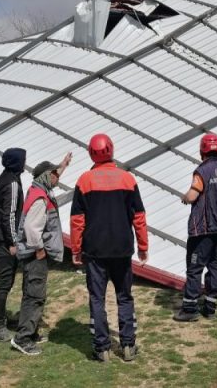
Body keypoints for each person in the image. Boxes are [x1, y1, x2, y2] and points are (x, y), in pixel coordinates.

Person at [70, 133, 149, 363]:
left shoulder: (84, 181)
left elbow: (77, 220)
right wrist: (143, 245)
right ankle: (128, 346)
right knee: (124, 297)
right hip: (122, 249)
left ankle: (102, 349)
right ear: (111, 150)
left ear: (91, 153)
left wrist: (76, 249)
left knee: (97, 298)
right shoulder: (127, 179)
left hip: (95, 251)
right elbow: (139, 217)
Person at [174, 133, 217, 322]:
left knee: (195, 268)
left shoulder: (201, 171)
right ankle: (210, 307)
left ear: (202, 151)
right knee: (214, 266)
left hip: (202, 231)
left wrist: (184, 198)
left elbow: (192, 196)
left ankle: (189, 308)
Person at [10, 153, 72, 356]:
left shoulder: (38, 188)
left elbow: (52, 175)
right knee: (35, 295)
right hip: (34, 255)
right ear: (46, 176)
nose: (57, 176)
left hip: (31, 254)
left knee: (33, 292)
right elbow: (31, 227)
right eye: (54, 173)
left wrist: (63, 165)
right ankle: (23, 338)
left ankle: (31, 331)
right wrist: (39, 249)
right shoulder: (39, 198)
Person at [0, 147, 27, 342]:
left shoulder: (5, 178)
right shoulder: (11, 183)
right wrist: (12, 242)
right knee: (4, 282)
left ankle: (2, 318)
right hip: (4, 241)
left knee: (6, 281)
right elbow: (9, 215)